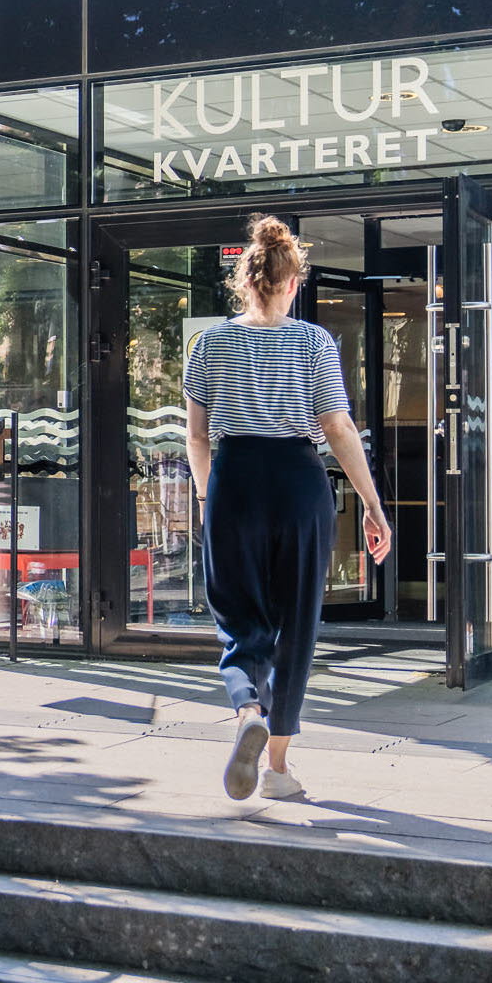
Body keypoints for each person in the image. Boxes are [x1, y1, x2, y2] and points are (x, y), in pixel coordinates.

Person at [184, 215, 392, 801]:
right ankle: (276, 766)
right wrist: (372, 505)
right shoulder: (313, 342)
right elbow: (337, 427)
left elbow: (197, 437)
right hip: (301, 483)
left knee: (239, 616)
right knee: (297, 623)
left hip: (236, 479)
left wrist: (209, 497)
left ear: (243, 281)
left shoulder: (212, 343)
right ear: (292, 282)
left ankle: (247, 706)